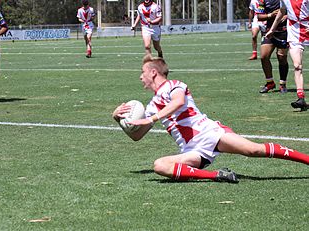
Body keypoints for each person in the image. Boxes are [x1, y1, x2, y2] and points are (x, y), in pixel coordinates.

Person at [112, 55, 309, 183]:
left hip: (209, 132)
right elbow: (137, 136)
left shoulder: (174, 85)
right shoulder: (152, 105)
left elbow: (179, 102)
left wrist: (151, 118)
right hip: (192, 150)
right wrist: (118, 119)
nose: (140, 77)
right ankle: (217, 175)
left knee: (253, 149)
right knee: (160, 166)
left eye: (143, 72)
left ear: (153, 72)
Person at [265, 0, 309, 111]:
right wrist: (272, 29)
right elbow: (282, 10)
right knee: (297, 65)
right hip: (294, 32)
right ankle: (301, 98)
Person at [256, 0, 289, 94]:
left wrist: (287, 16)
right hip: (269, 32)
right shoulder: (262, 0)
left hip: (283, 32)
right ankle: (270, 82)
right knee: (263, 56)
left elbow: (296, 12)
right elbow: (259, 16)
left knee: (282, 57)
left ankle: (283, 84)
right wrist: (271, 15)